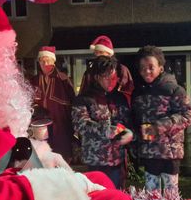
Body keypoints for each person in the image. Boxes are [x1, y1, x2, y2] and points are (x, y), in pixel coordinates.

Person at [0, 0, 132, 200]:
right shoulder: (36, 84)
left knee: (103, 182)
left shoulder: (62, 80)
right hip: (81, 146)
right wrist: (53, 184)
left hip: (72, 137)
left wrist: (38, 156)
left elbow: (1, 152)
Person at [131, 46, 191, 192]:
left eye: (150, 67)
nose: (146, 71)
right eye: (142, 68)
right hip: (149, 152)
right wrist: (135, 144)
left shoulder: (174, 89)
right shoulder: (138, 92)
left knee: (171, 193)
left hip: (170, 153)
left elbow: (188, 114)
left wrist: (159, 126)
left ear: (160, 67)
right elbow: (135, 120)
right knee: (151, 193)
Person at [72, 56, 133, 189]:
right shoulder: (84, 99)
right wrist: (107, 130)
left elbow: (128, 121)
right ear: (97, 77)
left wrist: (129, 133)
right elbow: (80, 124)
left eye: (114, 77)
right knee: (98, 194)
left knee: (116, 194)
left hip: (117, 160)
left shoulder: (120, 98)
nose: (111, 81)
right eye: (106, 77)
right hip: (96, 160)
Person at [31, 46, 75, 162]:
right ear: (39, 62)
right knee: (44, 159)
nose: (45, 63)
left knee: (62, 159)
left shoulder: (63, 79)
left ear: (53, 62)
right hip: (41, 130)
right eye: (42, 60)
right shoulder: (34, 81)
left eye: (48, 60)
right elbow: (29, 102)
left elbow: (74, 103)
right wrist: (36, 109)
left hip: (61, 128)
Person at [79, 35, 134, 103]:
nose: (98, 55)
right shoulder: (90, 72)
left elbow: (129, 92)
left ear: (109, 54)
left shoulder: (121, 69)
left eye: (101, 52)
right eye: (96, 53)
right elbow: (83, 93)